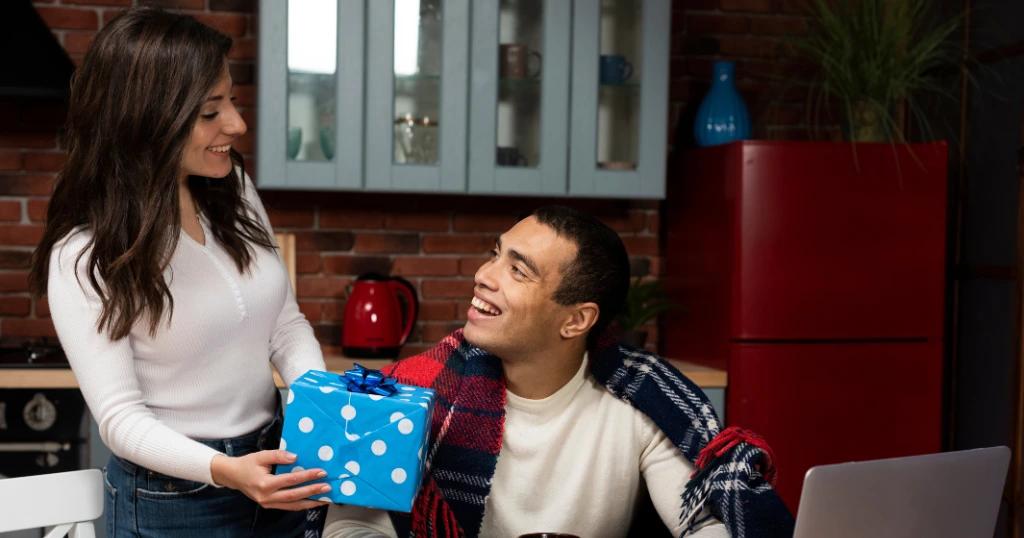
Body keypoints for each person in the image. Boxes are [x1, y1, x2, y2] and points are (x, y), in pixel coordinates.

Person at [28, 7, 329, 537]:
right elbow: (121, 420)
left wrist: (319, 414)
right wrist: (225, 471)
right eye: (211, 112)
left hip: (275, 465)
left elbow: (284, 324)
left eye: (230, 100)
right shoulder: (84, 255)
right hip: (176, 498)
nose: (236, 124)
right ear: (146, 119)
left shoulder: (231, 189)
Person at [321, 206, 794, 538]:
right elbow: (352, 523)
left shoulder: (644, 400)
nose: (485, 275)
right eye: (496, 254)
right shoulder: (413, 390)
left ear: (576, 320)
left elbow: (705, 524)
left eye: (518, 271)